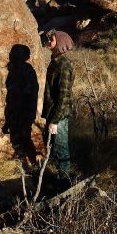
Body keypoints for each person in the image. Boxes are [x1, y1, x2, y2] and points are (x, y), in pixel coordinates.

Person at [41, 30, 75, 187]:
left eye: (52, 39)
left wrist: (55, 120)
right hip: (53, 113)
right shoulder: (55, 62)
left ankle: (65, 182)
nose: (48, 41)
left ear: (60, 43)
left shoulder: (64, 66)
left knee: (61, 148)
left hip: (58, 115)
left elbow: (64, 97)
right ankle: (60, 179)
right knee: (54, 147)